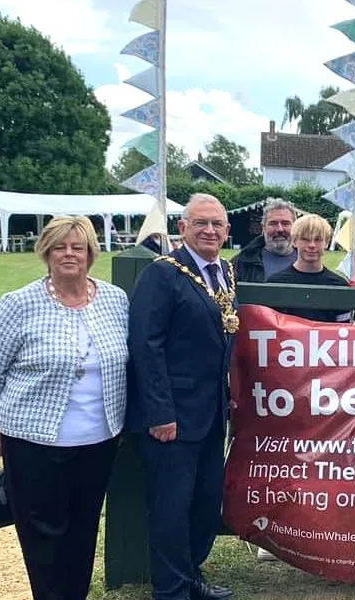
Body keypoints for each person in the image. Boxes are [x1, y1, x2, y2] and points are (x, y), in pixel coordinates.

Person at [0, 215, 129, 600]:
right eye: (59, 246)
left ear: (91, 253)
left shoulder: (115, 300)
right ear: (46, 251)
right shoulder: (19, 303)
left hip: (98, 437)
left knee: (83, 529)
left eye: (77, 247)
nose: (68, 254)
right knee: (43, 535)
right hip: (32, 440)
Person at [127, 193, 237, 600]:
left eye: (217, 225)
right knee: (171, 508)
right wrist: (159, 411)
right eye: (201, 223)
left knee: (205, 501)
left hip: (210, 413)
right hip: (170, 415)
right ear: (182, 228)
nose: (210, 230)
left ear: (227, 231)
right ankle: (171, 590)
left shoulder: (224, 270)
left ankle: (191, 575)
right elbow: (145, 343)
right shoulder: (163, 274)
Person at [267, 214, 350, 322]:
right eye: (305, 239)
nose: (312, 245)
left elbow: (344, 330)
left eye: (318, 240)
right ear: (294, 241)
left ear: (327, 243)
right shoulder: (275, 283)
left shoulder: (339, 285)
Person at [231, 198, 298, 282]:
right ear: (263, 227)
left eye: (285, 223)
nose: (280, 229)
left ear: (295, 227)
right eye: (273, 223)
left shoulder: (309, 262)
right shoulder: (241, 263)